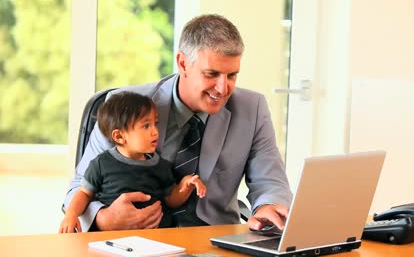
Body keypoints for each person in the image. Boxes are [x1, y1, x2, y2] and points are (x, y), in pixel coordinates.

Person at [64, 13, 292, 232]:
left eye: (231, 75)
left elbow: (270, 180)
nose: (223, 89)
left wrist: (268, 206)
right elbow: (77, 190)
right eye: (211, 74)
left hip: (214, 239)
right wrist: (104, 219)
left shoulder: (252, 108)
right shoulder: (125, 108)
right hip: (138, 240)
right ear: (183, 64)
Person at [59, 92, 206, 233]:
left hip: (157, 240)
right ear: (119, 136)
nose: (155, 131)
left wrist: (185, 185)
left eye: (155, 123)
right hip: (112, 239)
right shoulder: (101, 164)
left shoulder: (161, 165)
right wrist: (71, 215)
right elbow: (84, 193)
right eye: (146, 126)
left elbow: (170, 199)